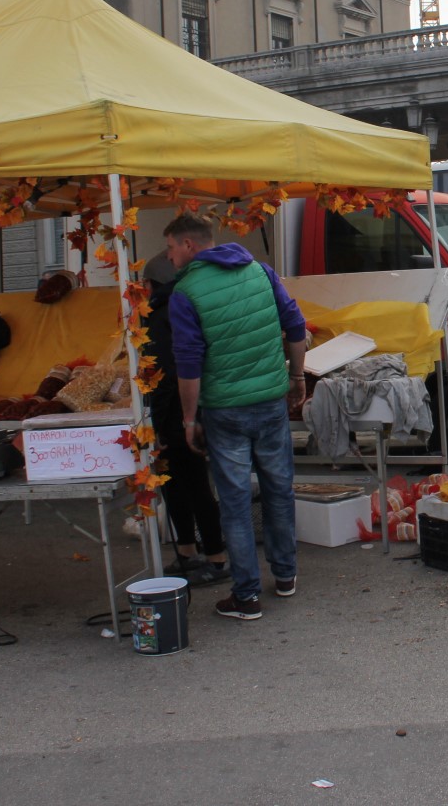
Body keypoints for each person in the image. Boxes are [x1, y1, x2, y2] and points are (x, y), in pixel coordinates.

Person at [165, 213, 308, 621]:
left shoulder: (185, 292)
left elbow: (188, 363)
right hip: (269, 402)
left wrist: (189, 419)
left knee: (234, 502)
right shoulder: (260, 271)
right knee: (280, 490)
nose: (169, 255)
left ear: (189, 246)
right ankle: (285, 575)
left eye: (171, 247)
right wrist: (296, 376)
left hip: (224, 410)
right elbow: (295, 325)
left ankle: (245, 596)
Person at [142, 255, 229, 586]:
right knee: (179, 484)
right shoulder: (192, 303)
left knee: (190, 485)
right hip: (197, 405)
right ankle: (189, 552)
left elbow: (164, 374)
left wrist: (158, 421)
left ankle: (215, 558)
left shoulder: (161, 314)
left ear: (151, 285)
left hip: (177, 413)